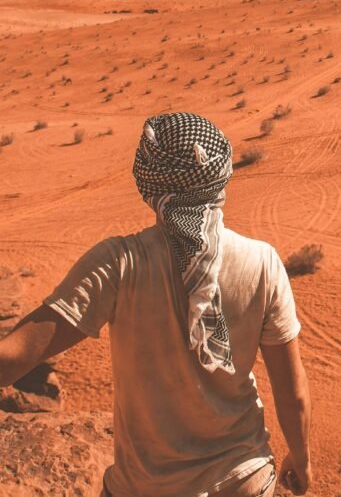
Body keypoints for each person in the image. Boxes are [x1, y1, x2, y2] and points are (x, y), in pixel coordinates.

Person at [0, 112, 311, 496]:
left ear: (146, 182)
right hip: (243, 480)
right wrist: (301, 457)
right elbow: (291, 391)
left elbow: (13, 356)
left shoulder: (118, 262)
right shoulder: (263, 262)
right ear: (222, 175)